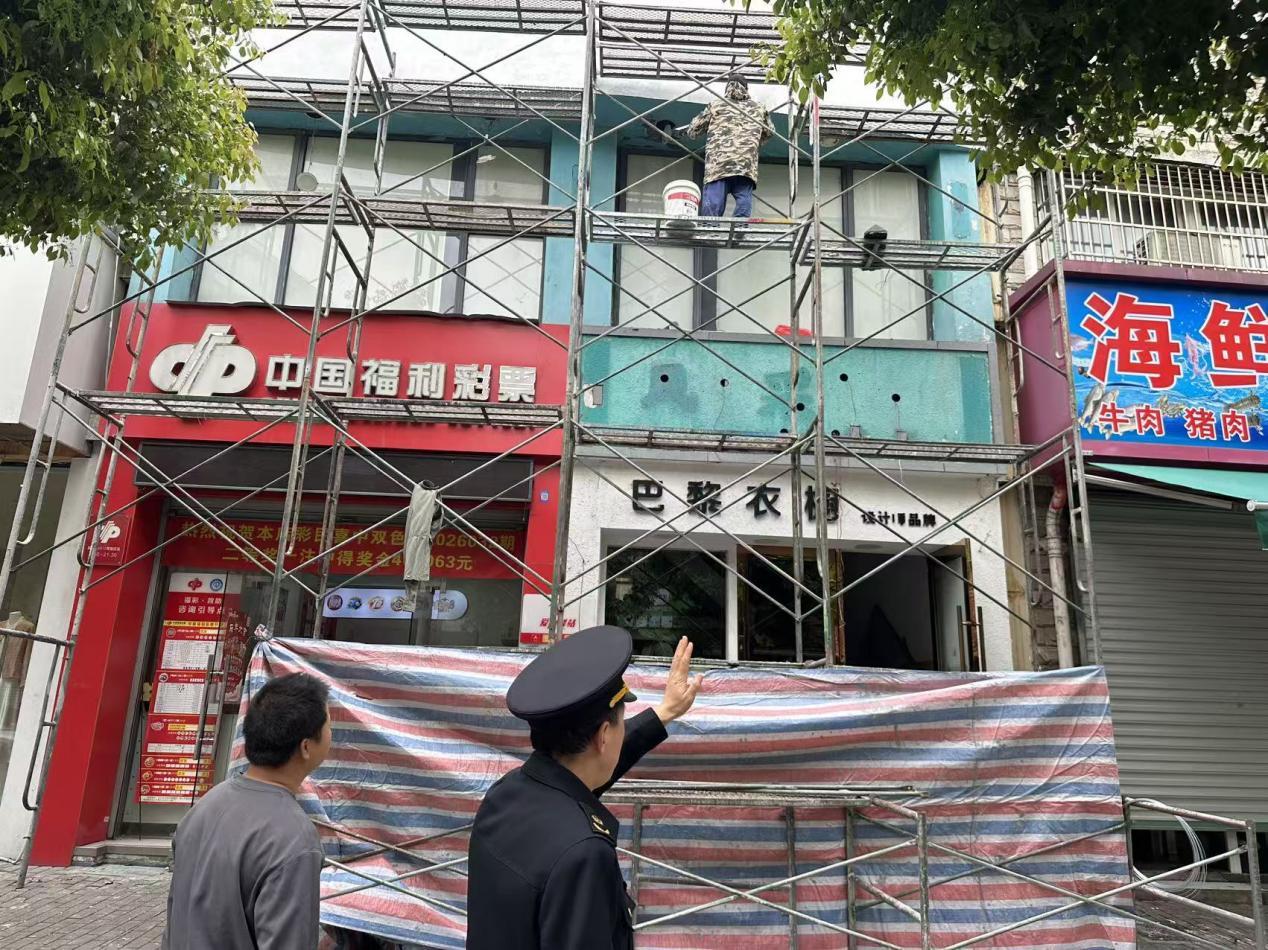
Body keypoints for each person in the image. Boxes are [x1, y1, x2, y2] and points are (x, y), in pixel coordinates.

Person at [465, 628, 701, 950]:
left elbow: (586, 770)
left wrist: (666, 712)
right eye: (620, 723)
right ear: (604, 736)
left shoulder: (505, 795)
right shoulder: (584, 854)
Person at [162, 671, 333, 950]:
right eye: (329, 726)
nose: (331, 734)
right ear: (306, 746)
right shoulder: (293, 838)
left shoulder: (205, 806)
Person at [685, 76, 774, 218]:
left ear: (727, 87)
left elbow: (693, 130)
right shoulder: (759, 108)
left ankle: (710, 228)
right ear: (746, 89)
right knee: (743, 200)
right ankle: (739, 226)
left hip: (718, 164)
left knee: (713, 206)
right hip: (745, 164)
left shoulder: (716, 105)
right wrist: (753, 143)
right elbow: (769, 132)